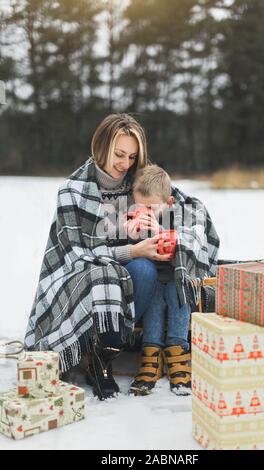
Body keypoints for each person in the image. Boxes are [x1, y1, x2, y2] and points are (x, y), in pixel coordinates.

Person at [24, 113, 171, 401]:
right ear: (101, 147)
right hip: (80, 272)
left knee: (144, 270)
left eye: (131, 156)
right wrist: (132, 250)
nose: (124, 164)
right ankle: (94, 351)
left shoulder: (138, 182)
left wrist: (164, 219)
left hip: (123, 270)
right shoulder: (72, 190)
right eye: (119, 154)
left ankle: (110, 345)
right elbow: (78, 254)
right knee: (105, 273)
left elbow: (185, 208)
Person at [125, 165, 218, 396]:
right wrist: (130, 231)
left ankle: (178, 355)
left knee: (180, 301)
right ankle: (150, 355)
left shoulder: (182, 213)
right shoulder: (135, 217)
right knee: (153, 308)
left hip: (179, 278)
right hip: (154, 279)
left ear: (168, 202)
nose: (143, 211)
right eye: (139, 205)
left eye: (149, 207)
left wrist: (160, 231)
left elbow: (192, 243)